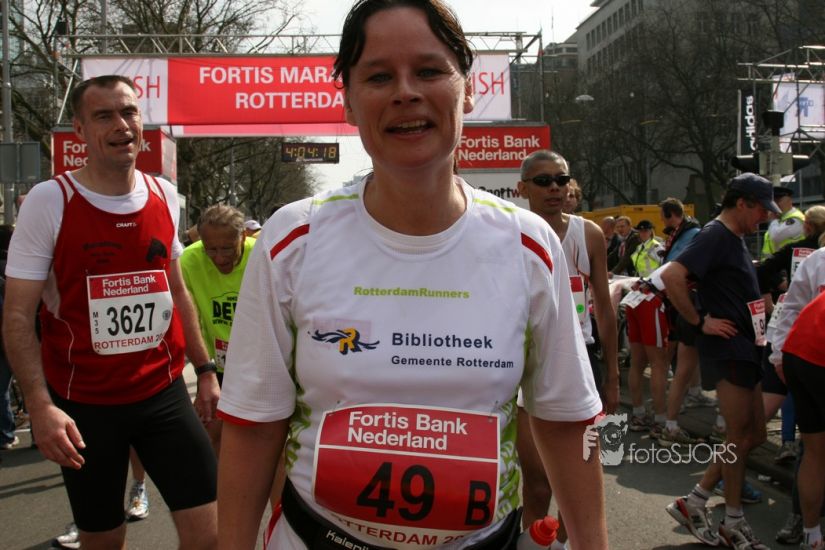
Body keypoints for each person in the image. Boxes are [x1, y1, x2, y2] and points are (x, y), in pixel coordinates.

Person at [215, 2, 608, 549]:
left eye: (428, 70)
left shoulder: (528, 245)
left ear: (467, 91)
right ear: (348, 102)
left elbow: (565, 421)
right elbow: (255, 425)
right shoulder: (293, 238)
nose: (405, 92)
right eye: (378, 76)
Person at [2, 75, 219, 549]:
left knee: (211, 533)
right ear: (80, 130)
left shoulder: (163, 193)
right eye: (104, 116)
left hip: (162, 392)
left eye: (129, 112)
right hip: (85, 403)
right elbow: (17, 316)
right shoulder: (49, 201)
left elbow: (176, 289)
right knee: (104, 540)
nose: (121, 125)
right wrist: (39, 405)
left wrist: (204, 370)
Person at [662, 172, 776, 548]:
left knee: (754, 435)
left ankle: (694, 501)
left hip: (746, 347)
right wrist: (700, 322)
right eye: (761, 209)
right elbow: (672, 275)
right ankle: (733, 520)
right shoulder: (715, 234)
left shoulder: (733, 237)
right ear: (741, 203)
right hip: (730, 349)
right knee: (739, 435)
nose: (765, 217)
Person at [516, 150, 618, 544]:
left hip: (581, 360)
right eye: (543, 181)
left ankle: (564, 542)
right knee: (538, 483)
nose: (555, 188)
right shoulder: (512, 232)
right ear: (523, 188)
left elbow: (604, 308)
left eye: (561, 179)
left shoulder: (588, 234)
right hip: (529, 366)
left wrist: (612, 376)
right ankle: (533, 542)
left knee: (579, 483)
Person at [761, 207, 825, 545]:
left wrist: (779, 356)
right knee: (811, 450)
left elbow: (791, 307)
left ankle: (810, 531)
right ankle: (803, 522)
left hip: (802, 354)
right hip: (810, 355)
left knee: (812, 450)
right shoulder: (815, 258)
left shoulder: (816, 258)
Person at [181, 204, 255, 451]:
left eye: (227, 248)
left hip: (260, 365)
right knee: (208, 433)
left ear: (242, 236)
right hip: (218, 365)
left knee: (266, 439)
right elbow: (188, 317)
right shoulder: (189, 260)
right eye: (211, 249)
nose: (220, 258)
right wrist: (204, 370)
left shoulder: (262, 255)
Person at [655, 198, 717, 448]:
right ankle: (721, 425)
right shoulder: (699, 235)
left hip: (686, 304)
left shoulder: (689, 233)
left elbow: (671, 268)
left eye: (662, 215)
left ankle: (671, 423)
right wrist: (696, 319)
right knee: (713, 367)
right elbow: (673, 271)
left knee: (682, 365)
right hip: (695, 306)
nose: (661, 220)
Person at [623, 220, 668, 435]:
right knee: (658, 363)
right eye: (639, 230)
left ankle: (639, 413)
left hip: (636, 296)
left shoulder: (643, 248)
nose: (641, 233)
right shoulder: (656, 247)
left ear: (650, 231)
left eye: (644, 230)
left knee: (638, 362)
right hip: (650, 299)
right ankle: (660, 419)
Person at [762, 186, 805, 258]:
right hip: (777, 261)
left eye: (778, 200)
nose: (775, 204)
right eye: (774, 201)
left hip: (788, 261)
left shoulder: (795, 219)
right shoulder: (782, 218)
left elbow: (776, 236)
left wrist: (773, 219)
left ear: (790, 200)